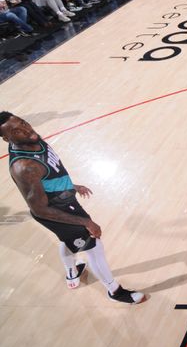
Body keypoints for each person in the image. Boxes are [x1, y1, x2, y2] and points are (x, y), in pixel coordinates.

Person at [0, 112, 144, 303]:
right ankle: (114, 291)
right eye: (16, 131)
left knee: (69, 240)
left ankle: (72, 271)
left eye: (23, 123)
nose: (26, 129)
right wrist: (85, 222)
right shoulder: (24, 166)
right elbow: (39, 210)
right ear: (6, 138)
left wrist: (72, 186)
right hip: (55, 210)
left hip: (62, 201)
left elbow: (49, 176)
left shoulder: (31, 139)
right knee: (93, 246)